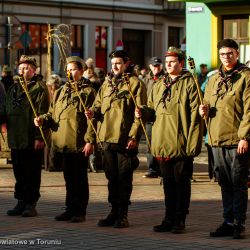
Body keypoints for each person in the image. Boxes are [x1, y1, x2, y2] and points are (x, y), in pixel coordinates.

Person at [135, 47, 203, 234]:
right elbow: (151, 109)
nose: (169, 65)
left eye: (173, 62)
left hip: (181, 142)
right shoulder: (158, 84)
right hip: (162, 142)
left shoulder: (190, 83)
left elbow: (196, 117)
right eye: (167, 62)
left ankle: (180, 219)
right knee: (168, 184)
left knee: (181, 183)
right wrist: (143, 111)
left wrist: (192, 144)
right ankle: (168, 217)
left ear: (181, 64)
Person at [85, 49, 147, 228]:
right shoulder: (107, 83)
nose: (115, 66)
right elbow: (98, 105)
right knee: (111, 177)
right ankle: (113, 211)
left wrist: (134, 136)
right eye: (113, 64)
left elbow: (140, 113)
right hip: (106, 137)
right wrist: (92, 112)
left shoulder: (135, 83)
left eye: (118, 63)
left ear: (127, 63)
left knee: (124, 177)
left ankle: (123, 214)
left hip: (124, 138)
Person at [34, 56, 96, 223]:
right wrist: (43, 119)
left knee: (79, 179)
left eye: (73, 69)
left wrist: (90, 140)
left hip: (79, 143)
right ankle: (69, 209)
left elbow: (93, 119)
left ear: (82, 71)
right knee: (68, 178)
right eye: (68, 70)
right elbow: (52, 114)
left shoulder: (88, 92)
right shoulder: (61, 91)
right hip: (63, 143)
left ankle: (80, 211)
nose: (70, 72)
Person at [199, 38, 250, 239]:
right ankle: (228, 221)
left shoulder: (246, 77)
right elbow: (207, 102)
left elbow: (249, 110)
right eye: (222, 54)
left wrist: (245, 136)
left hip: (236, 139)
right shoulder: (213, 78)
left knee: (238, 182)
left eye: (230, 53)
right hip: (216, 138)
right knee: (224, 182)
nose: (226, 57)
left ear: (237, 54)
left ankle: (239, 222)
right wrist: (204, 109)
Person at [0, 55, 50, 217]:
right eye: (20, 68)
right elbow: (6, 109)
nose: (22, 71)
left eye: (26, 68)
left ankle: (31, 203)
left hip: (30, 138)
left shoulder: (39, 88)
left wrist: (39, 137)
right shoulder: (14, 88)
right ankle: (20, 201)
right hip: (15, 137)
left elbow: (43, 113)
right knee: (18, 172)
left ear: (34, 70)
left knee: (32, 172)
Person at [142, 57, 164, 178]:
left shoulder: (165, 78)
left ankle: (162, 167)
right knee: (150, 143)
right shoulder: (145, 80)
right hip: (149, 116)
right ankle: (152, 168)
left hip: (162, 116)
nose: (156, 68)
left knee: (162, 142)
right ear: (150, 66)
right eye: (154, 66)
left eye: (158, 66)